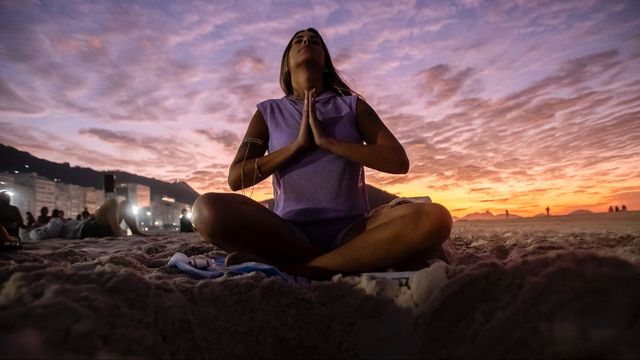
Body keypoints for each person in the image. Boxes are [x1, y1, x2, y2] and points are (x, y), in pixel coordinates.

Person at [192, 28, 453, 280]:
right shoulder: (268, 112)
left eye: (314, 41)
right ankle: (340, 261)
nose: (307, 42)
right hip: (290, 233)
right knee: (206, 210)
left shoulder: (352, 105)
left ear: (325, 61)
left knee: (436, 218)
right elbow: (236, 178)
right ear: (286, 64)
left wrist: (329, 143)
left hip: (353, 230)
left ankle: (307, 269)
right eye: (299, 40)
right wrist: (296, 147)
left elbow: (398, 161)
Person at [19, 199, 145, 242]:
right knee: (112, 202)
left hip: (95, 227)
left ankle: (135, 231)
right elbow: (42, 235)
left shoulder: (63, 221)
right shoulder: (55, 221)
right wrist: (58, 220)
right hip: (86, 229)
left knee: (125, 203)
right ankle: (116, 231)